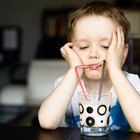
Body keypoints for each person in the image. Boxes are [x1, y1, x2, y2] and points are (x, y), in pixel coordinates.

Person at [38, 1, 140, 132]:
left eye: (105, 46)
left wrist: (114, 69)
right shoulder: (68, 84)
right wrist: (74, 70)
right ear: (71, 50)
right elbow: (47, 122)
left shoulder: (132, 83)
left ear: (123, 52)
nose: (93, 54)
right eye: (83, 47)